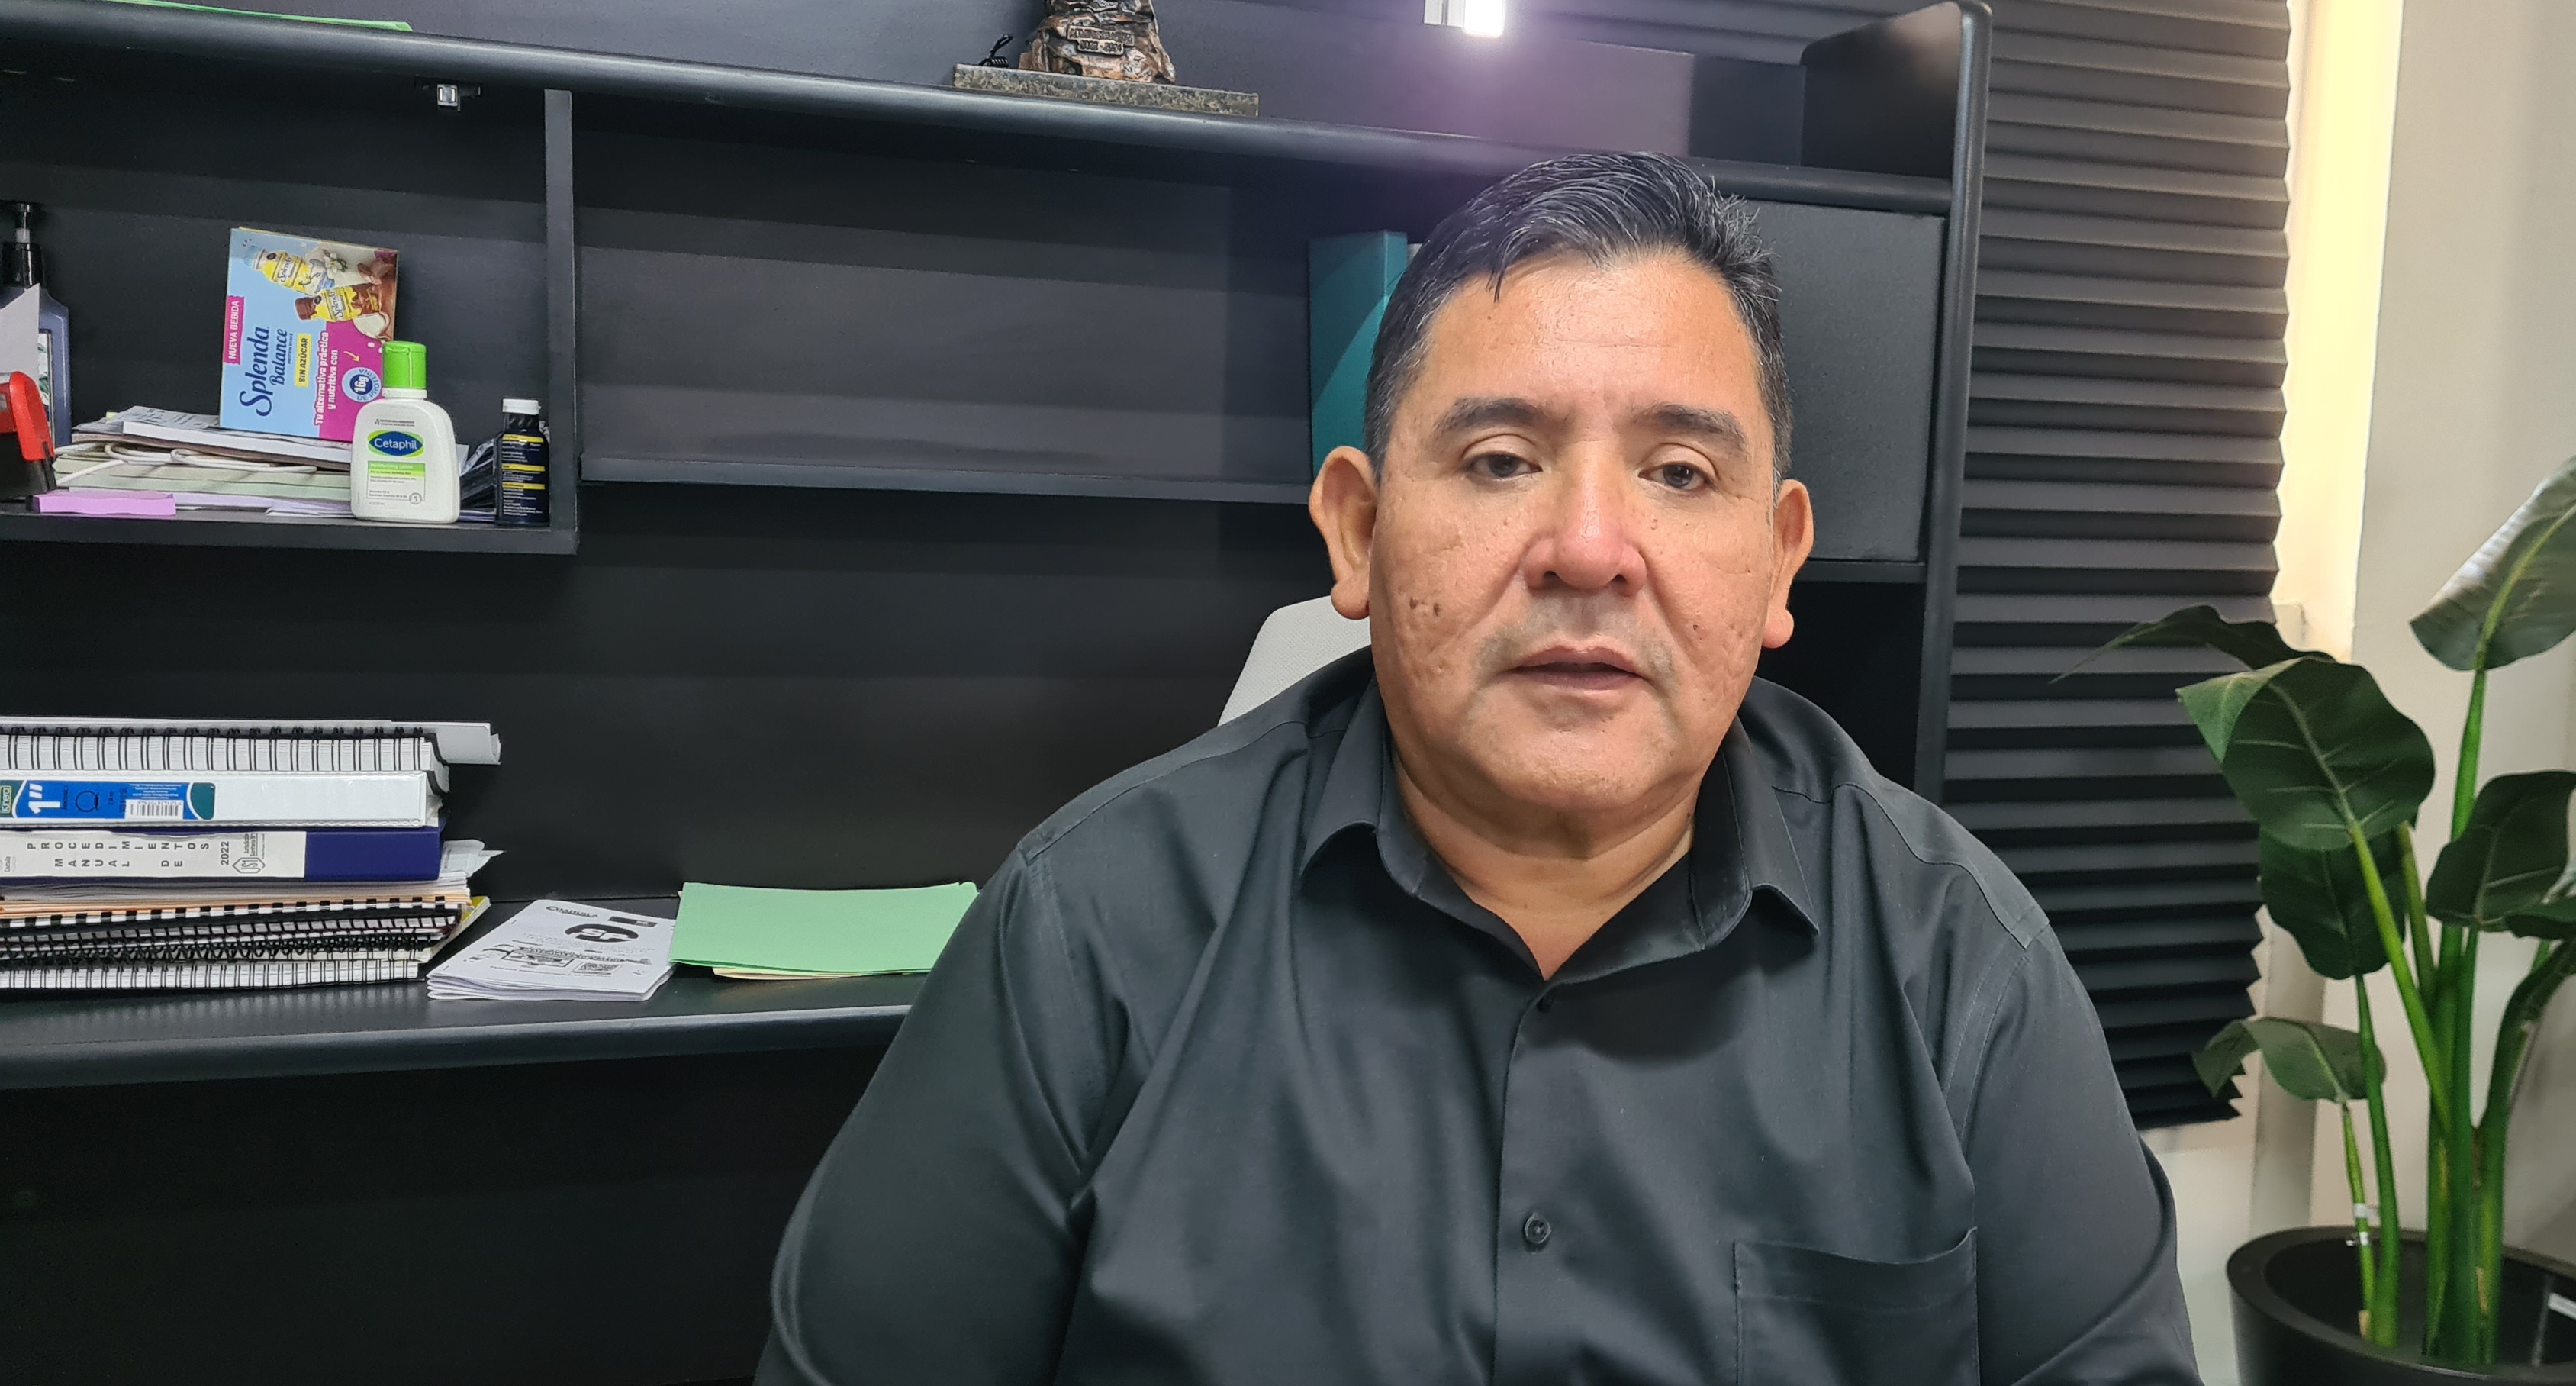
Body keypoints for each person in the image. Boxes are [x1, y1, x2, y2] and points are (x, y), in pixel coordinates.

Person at [758, 152, 2198, 1386]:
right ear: (1356, 531)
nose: (1589, 549)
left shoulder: (1962, 970)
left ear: (1778, 561)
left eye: (1680, 473)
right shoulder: (1089, 934)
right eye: (1504, 459)